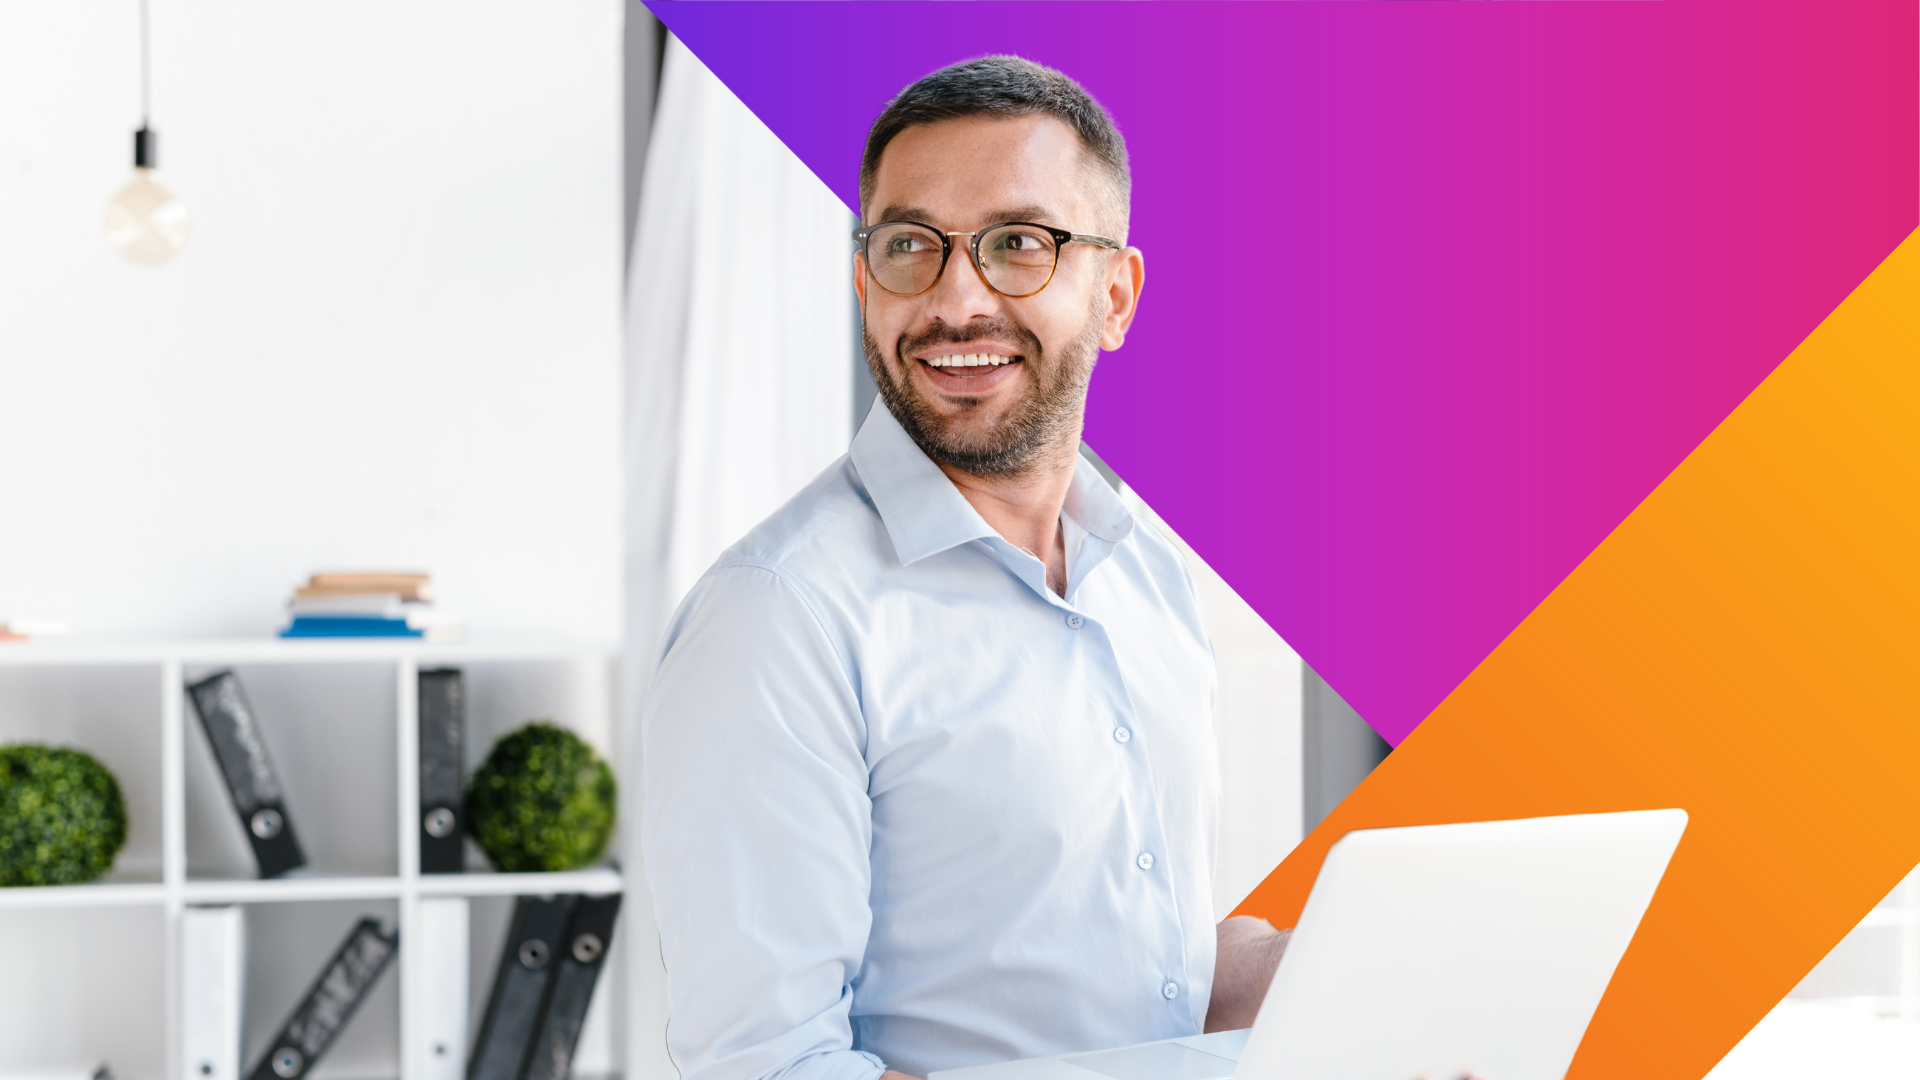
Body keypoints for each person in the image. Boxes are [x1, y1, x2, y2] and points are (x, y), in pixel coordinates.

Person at [640, 55, 1289, 1080]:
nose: (955, 299)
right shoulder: (780, 618)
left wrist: (1343, 986)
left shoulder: (1147, 578)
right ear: (866, 282)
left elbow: (1134, 978)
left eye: (1018, 245)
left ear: (1114, 296)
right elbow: (767, 1067)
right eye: (910, 246)